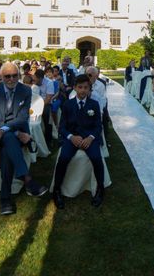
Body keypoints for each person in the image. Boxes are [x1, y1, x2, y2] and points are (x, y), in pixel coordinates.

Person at [0, 62, 47, 215]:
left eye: (14, 76)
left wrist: (5, 131)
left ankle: (5, 199)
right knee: (10, 139)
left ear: (19, 76)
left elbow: (22, 118)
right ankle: (26, 179)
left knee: (8, 146)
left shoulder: (25, 90)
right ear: (0, 76)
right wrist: (14, 133)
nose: (11, 79)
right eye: (7, 76)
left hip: (11, 132)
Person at [53, 74, 105, 209]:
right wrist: (71, 137)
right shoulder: (68, 105)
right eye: (80, 87)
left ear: (90, 89)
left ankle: (100, 188)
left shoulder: (94, 104)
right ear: (75, 88)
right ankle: (57, 190)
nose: (82, 90)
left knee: (96, 158)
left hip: (89, 139)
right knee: (63, 158)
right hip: (72, 138)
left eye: (86, 88)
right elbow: (62, 127)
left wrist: (91, 138)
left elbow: (98, 126)